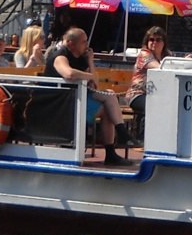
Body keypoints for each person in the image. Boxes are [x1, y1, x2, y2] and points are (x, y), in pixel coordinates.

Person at [46, 27, 130, 165]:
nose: (87, 45)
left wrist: (90, 61)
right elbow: (69, 74)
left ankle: (116, 145)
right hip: (61, 102)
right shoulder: (60, 56)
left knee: (109, 95)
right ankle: (119, 138)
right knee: (108, 108)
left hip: (77, 97)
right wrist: (89, 76)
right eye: (83, 42)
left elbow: (95, 84)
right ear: (71, 43)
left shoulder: (82, 58)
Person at [122, 25, 168, 141]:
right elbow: (159, 67)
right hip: (137, 94)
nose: (154, 43)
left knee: (166, 104)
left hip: (156, 95)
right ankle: (142, 139)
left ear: (164, 43)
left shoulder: (166, 56)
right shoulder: (144, 54)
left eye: (158, 40)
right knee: (154, 105)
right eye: (151, 40)